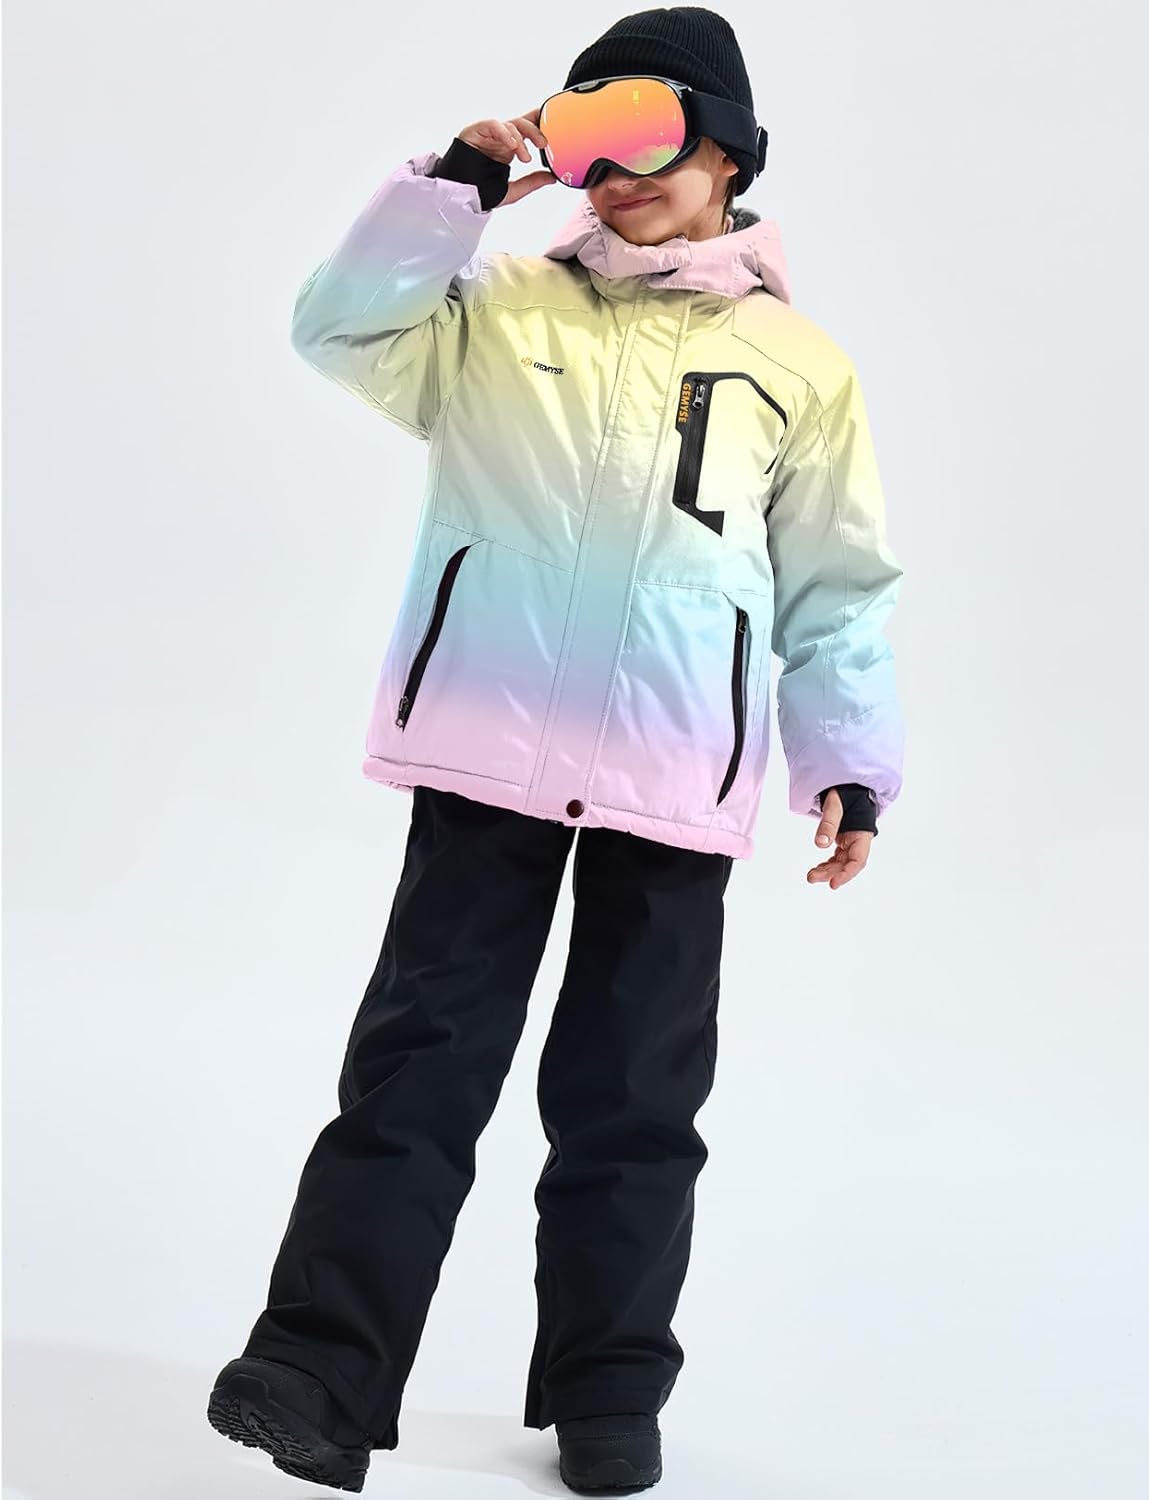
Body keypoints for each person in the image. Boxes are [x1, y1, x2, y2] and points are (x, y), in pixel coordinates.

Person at [206, 7, 905, 1493]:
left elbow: (836, 586)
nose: (623, 178)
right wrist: (455, 185)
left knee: (633, 1101)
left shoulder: (799, 366)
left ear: (729, 154)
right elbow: (335, 327)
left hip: (675, 773)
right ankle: (314, 1375)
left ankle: (608, 1397)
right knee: (416, 1071)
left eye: (654, 140)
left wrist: (845, 762)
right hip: (487, 751)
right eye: (593, 145)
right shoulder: (490, 307)